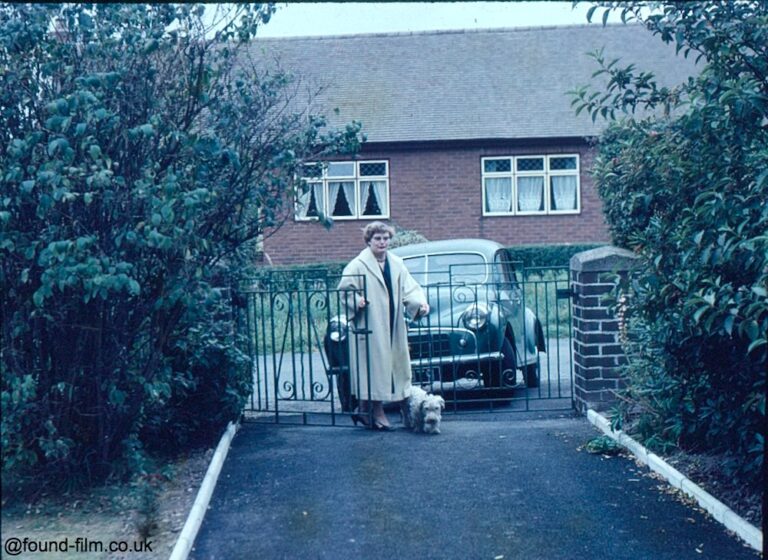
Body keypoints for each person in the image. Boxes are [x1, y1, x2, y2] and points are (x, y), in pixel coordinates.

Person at [337, 221, 429, 430]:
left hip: (392, 322)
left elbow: (410, 288)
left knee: (394, 366)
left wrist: (419, 305)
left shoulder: (396, 263)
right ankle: (375, 411)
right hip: (369, 325)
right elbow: (344, 288)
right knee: (374, 369)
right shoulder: (358, 264)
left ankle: (364, 411)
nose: (382, 242)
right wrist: (357, 300)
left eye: (385, 238)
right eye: (377, 238)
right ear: (369, 241)